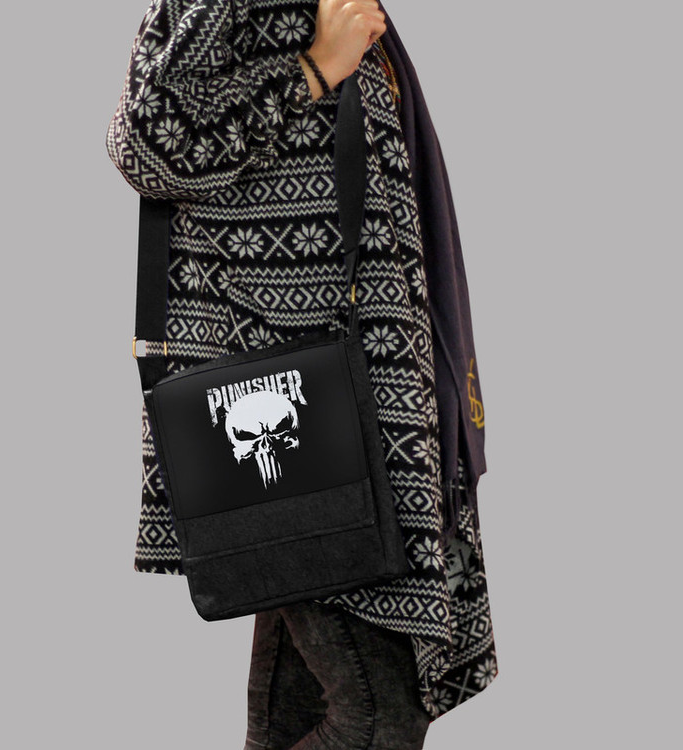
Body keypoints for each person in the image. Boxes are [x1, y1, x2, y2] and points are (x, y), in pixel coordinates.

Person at [105, 1, 498, 747]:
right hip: (292, 419)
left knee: (296, 718)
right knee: (379, 719)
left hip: (343, 404)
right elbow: (148, 141)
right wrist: (315, 71)